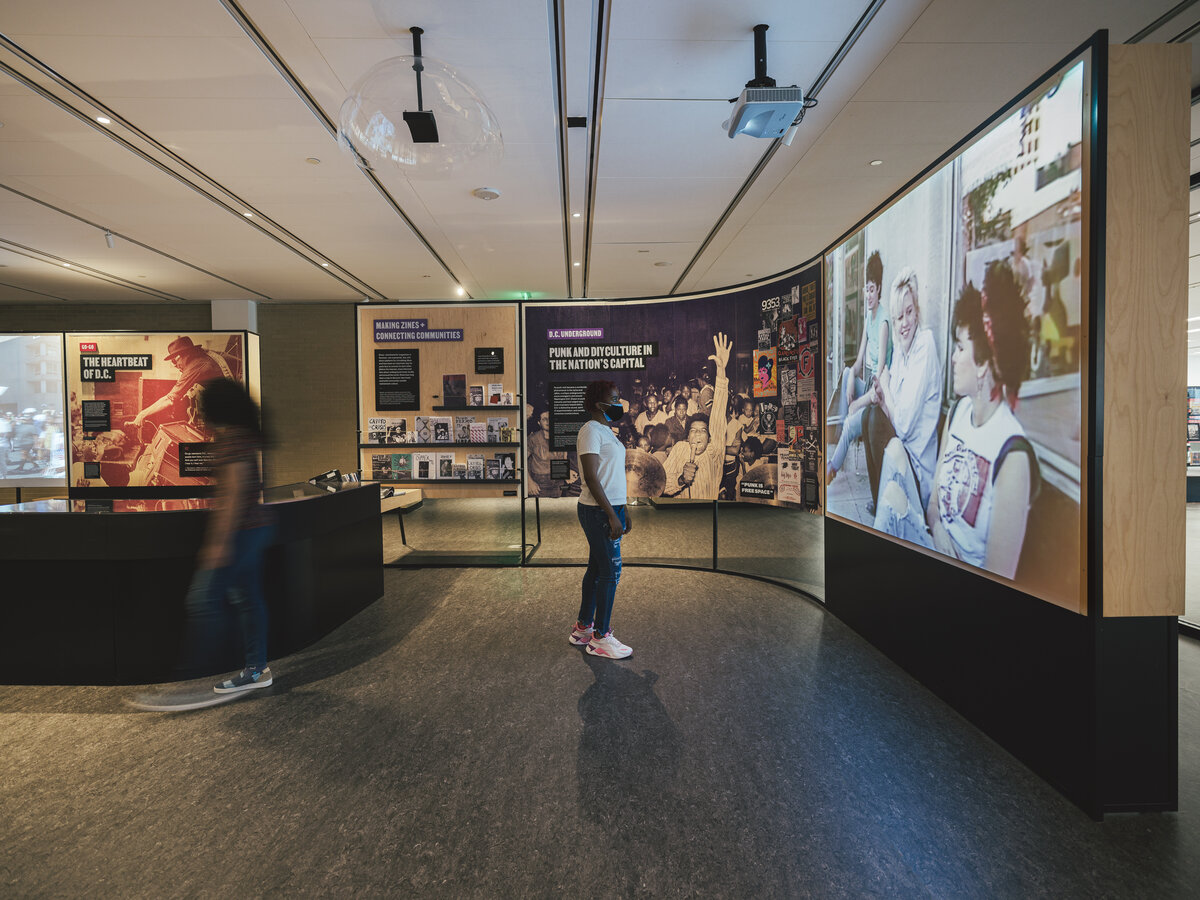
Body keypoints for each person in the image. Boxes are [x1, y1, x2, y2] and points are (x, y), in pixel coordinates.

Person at [874, 261, 1038, 579]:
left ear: (983, 364)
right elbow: (933, 507)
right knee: (893, 452)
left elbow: (999, 580)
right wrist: (937, 532)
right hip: (934, 546)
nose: (953, 356)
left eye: (961, 347)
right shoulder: (958, 413)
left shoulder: (1013, 454)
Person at [159, 379, 276, 702]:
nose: (196, 411)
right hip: (255, 528)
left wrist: (218, 543)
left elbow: (234, 494)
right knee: (248, 599)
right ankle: (257, 669)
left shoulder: (232, 440)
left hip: (241, 533)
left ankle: (189, 685)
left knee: (203, 600)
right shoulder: (244, 436)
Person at [860, 267, 942, 511]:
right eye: (898, 317)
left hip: (917, 472)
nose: (904, 323)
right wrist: (883, 397)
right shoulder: (901, 349)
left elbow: (903, 427)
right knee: (868, 415)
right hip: (901, 457)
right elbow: (891, 408)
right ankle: (882, 506)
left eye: (909, 312)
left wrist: (886, 389)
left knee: (874, 419)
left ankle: (887, 510)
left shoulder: (925, 345)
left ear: (917, 311)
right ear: (893, 321)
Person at [570, 380, 633, 660]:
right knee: (611, 572)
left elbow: (612, 474)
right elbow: (592, 478)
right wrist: (610, 514)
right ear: (599, 404)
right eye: (614, 399)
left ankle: (583, 628)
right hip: (598, 511)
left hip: (610, 508)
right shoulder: (590, 431)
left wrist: (623, 508)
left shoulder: (606, 430)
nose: (619, 403)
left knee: (597, 569)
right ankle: (600, 638)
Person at [826, 250, 890, 484]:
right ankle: (847, 433)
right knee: (845, 373)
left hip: (879, 395)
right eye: (866, 289)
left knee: (850, 418)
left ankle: (833, 466)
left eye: (872, 289)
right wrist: (852, 376)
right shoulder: (867, 319)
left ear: (879, 289)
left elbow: (878, 383)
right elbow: (858, 362)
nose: (868, 295)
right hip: (867, 388)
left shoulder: (883, 323)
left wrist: (856, 404)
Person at [661, 334, 733, 498]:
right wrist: (680, 480)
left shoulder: (714, 452)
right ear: (687, 436)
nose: (698, 434)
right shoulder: (680, 448)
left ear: (710, 438)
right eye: (693, 430)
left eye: (703, 431)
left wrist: (721, 373)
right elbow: (661, 484)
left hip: (706, 512)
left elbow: (718, 418)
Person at [131, 336, 232, 431]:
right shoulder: (204, 356)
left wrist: (142, 414)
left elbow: (169, 400)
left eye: (174, 361)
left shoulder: (195, 365)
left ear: (182, 356)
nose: (175, 366)